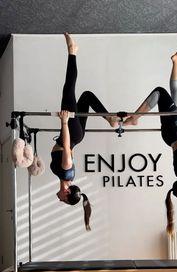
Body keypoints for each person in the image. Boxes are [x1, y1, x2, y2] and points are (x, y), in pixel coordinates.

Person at [123, 47, 177, 236]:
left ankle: (135, 118)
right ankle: (176, 61)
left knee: (159, 92)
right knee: (175, 94)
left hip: (175, 131)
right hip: (172, 135)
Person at [50, 33, 118, 230]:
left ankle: (110, 119)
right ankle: (72, 52)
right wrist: (64, 122)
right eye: (63, 200)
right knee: (68, 89)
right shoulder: (66, 174)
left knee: (86, 97)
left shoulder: (65, 176)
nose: (60, 200)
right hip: (70, 131)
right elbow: (67, 151)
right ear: (67, 193)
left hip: (76, 135)